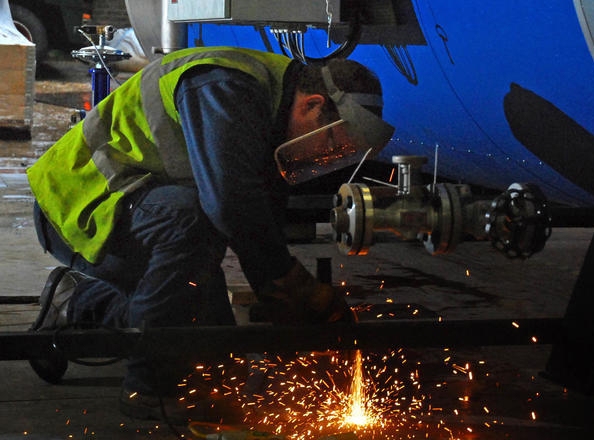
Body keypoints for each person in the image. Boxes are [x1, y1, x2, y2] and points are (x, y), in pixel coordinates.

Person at [25, 46, 394, 422]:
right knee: (193, 220)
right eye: (331, 143)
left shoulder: (273, 119)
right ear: (312, 106)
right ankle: (149, 385)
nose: (324, 159)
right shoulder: (227, 86)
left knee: (214, 358)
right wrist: (287, 282)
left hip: (136, 212)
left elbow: (261, 227)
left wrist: (284, 310)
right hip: (77, 203)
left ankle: (75, 305)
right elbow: (229, 202)